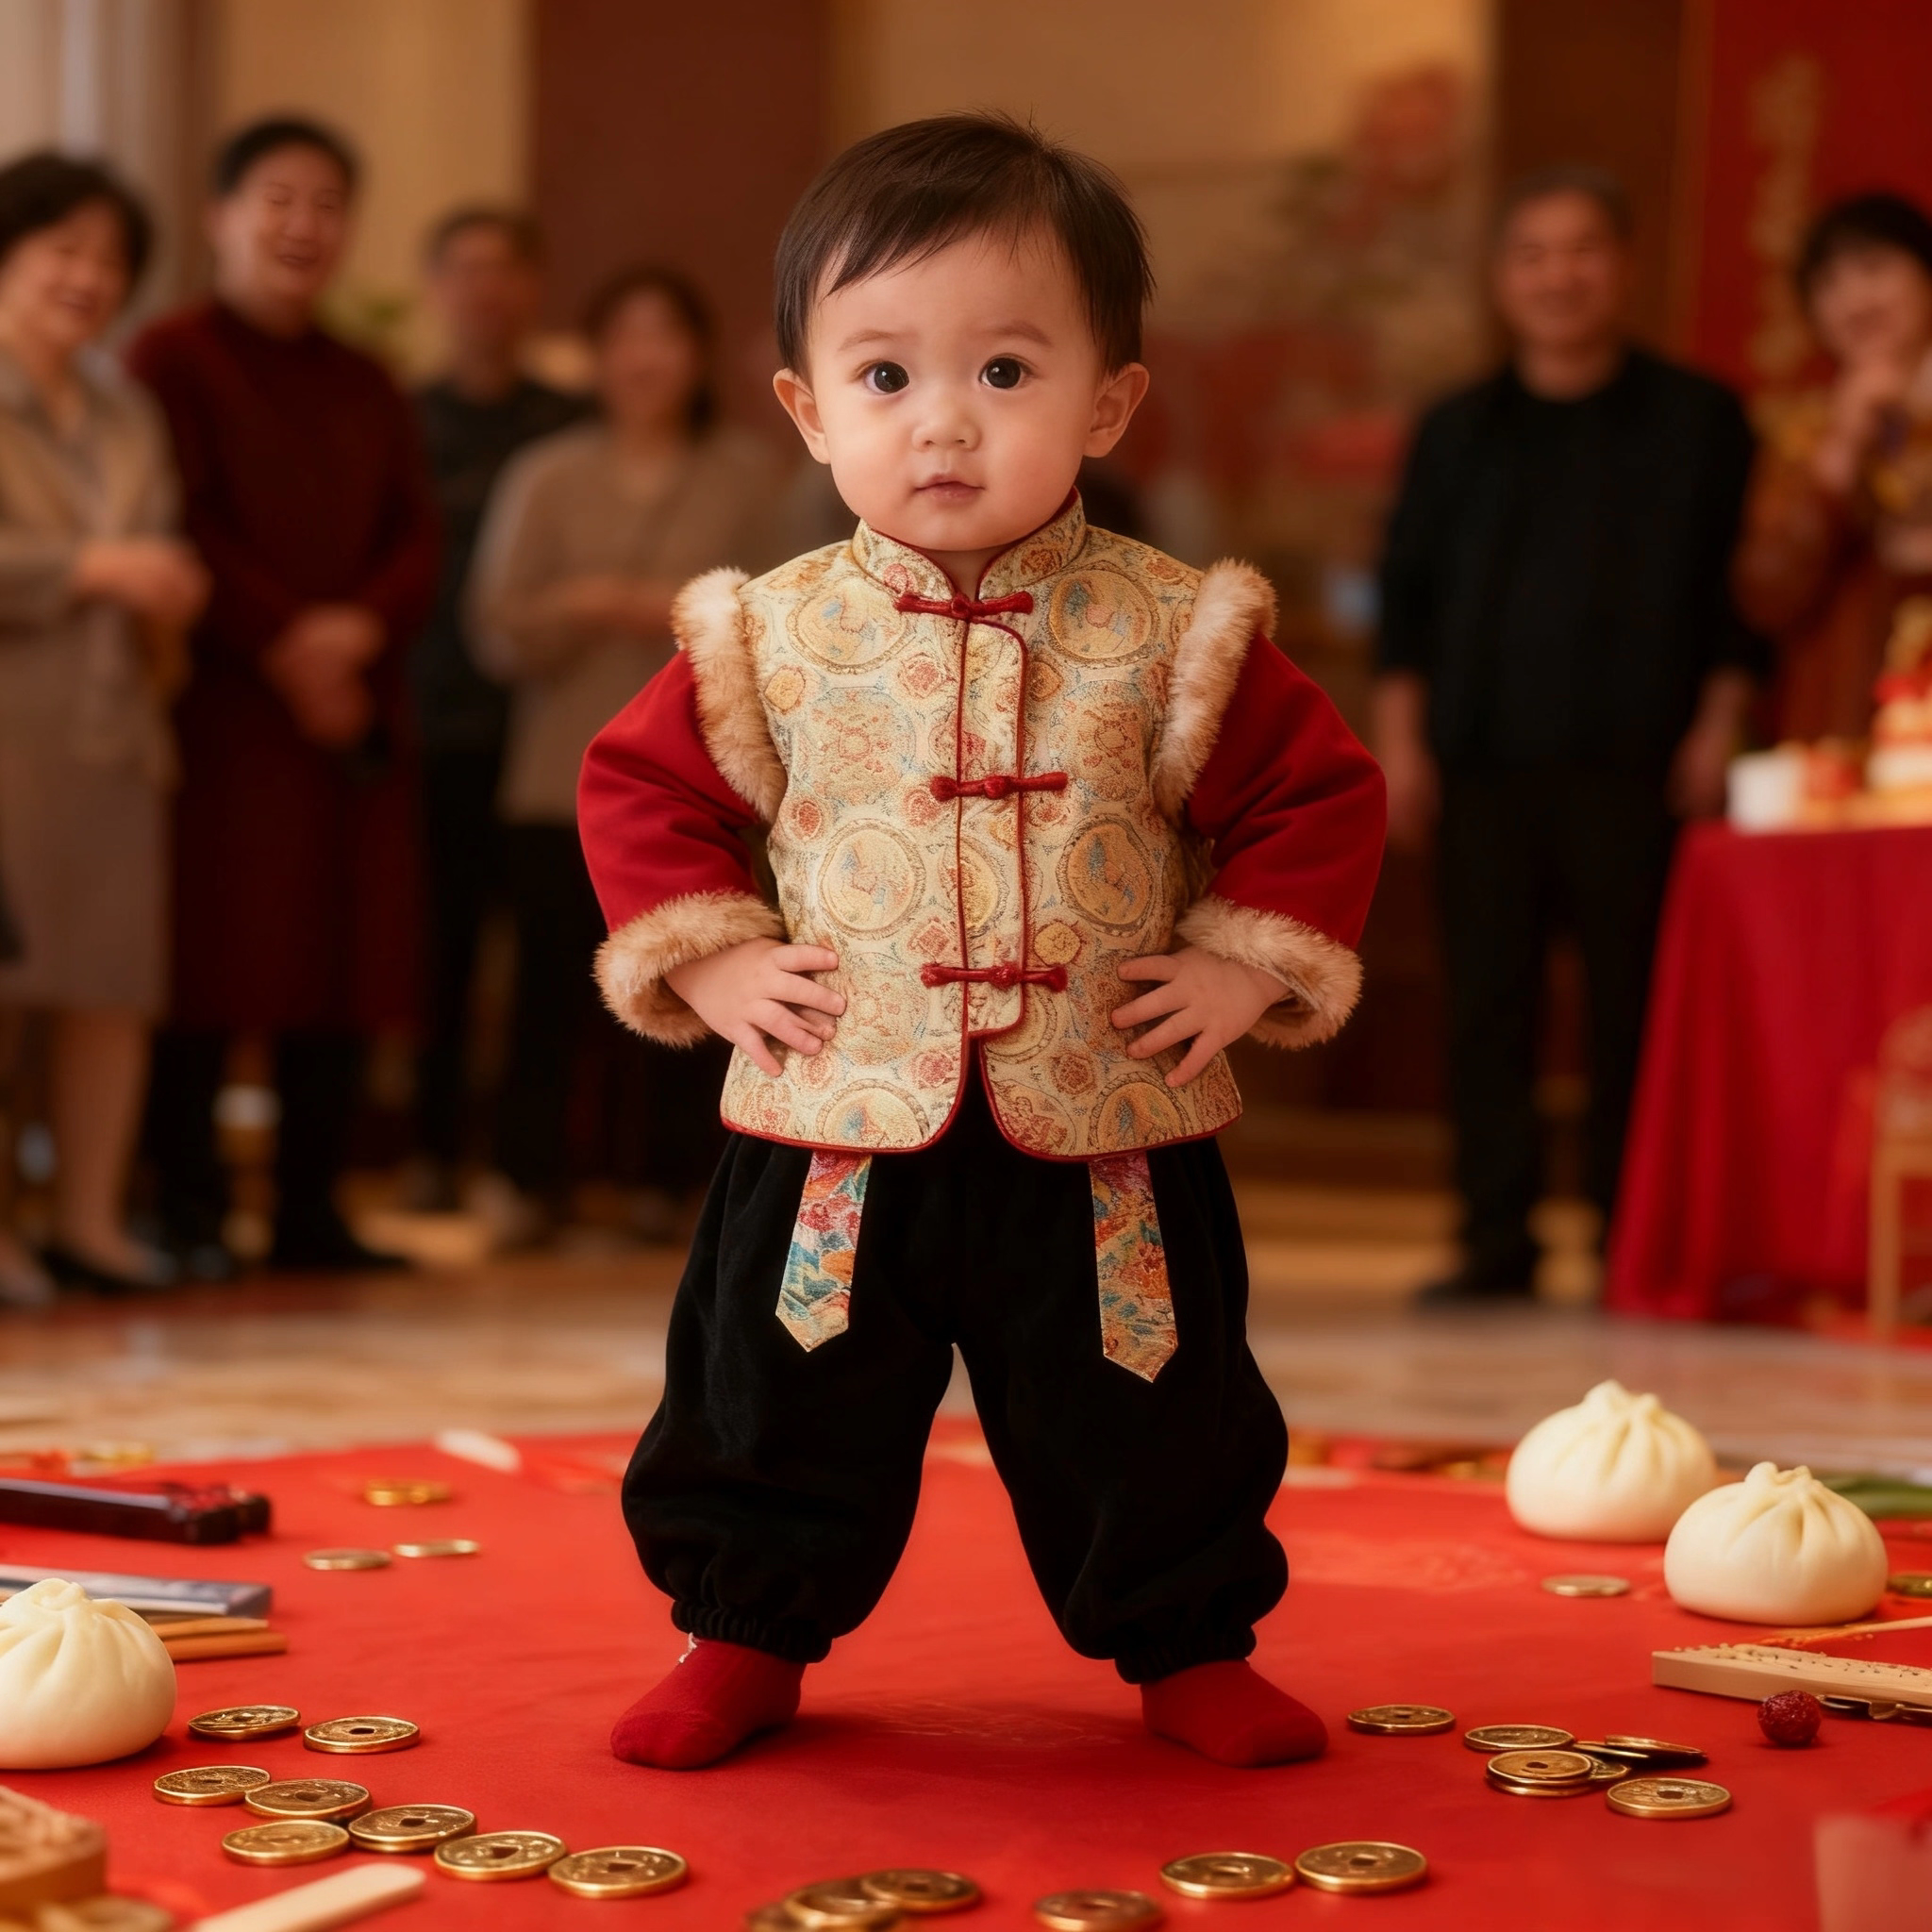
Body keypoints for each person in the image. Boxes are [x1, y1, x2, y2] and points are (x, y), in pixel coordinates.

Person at [577, 114, 1385, 1772]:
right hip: (833, 1130)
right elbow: (641, 788)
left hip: (1102, 1129)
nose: (942, 420)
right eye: (882, 376)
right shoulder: (767, 631)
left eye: (1005, 371)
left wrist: (1242, 962)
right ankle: (740, 1623)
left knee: (1149, 1397)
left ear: (1108, 400)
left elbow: (1318, 798)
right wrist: (712, 958)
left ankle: (1183, 1634)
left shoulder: (1176, 627)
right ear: (804, 406)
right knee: (770, 1388)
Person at [1374, 166, 1760, 1305]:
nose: (1557, 274)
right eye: (1531, 254)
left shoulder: (1698, 419)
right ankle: (1494, 1241)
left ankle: (1628, 1240)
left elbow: (1734, 599)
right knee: (1485, 1005)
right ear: (1501, 279)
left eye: (1579, 249)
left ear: (1621, 265)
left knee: (1633, 1008)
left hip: (1639, 764)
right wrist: (1402, 744)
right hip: (1480, 763)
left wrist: (1719, 725)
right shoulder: (1455, 430)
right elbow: (1408, 597)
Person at [128, 118, 439, 1274]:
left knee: (338, 957)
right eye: (276, 198)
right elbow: (180, 519)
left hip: (349, 712)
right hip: (221, 707)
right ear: (219, 214)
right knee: (209, 954)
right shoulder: (169, 357)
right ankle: (189, 1207)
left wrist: (354, 632)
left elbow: (416, 534)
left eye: (324, 203)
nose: (301, 224)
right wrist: (291, 645)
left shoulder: (366, 378)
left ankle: (311, 1210)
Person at [467, 266, 778, 1244]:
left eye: (666, 336)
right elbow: (495, 628)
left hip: (706, 775)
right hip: (557, 770)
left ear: (697, 356)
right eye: (624, 337)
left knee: (701, 966)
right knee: (551, 984)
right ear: (593, 356)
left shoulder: (750, 475)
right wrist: (583, 602)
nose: (644, 359)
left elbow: (782, 620)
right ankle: (528, 1182)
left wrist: (682, 617)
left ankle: (673, 1182)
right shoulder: (545, 473)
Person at [0, 154, 208, 1302]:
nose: (87, 275)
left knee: (109, 986)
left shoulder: (127, 404)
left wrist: (160, 589)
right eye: (61, 250)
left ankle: (89, 1220)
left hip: (116, 727)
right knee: (6, 991)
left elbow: (163, 546)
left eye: (109, 258)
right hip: (9, 733)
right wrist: (91, 567)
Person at [407, 208, 587, 1208]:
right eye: (465, 270)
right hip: (431, 720)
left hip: (545, 729)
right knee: (438, 946)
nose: (485, 290)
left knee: (549, 959)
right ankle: (433, 1152)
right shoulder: (402, 417)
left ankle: (535, 1165)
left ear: (532, 289)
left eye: (504, 271)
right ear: (435, 287)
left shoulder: (566, 426)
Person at [1735, 192, 1932, 740]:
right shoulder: (1800, 435)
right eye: (1828, 284)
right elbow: (1767, 598)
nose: (1854, 300)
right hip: (1847, 720)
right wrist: (1841, 451)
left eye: (1874, 268)